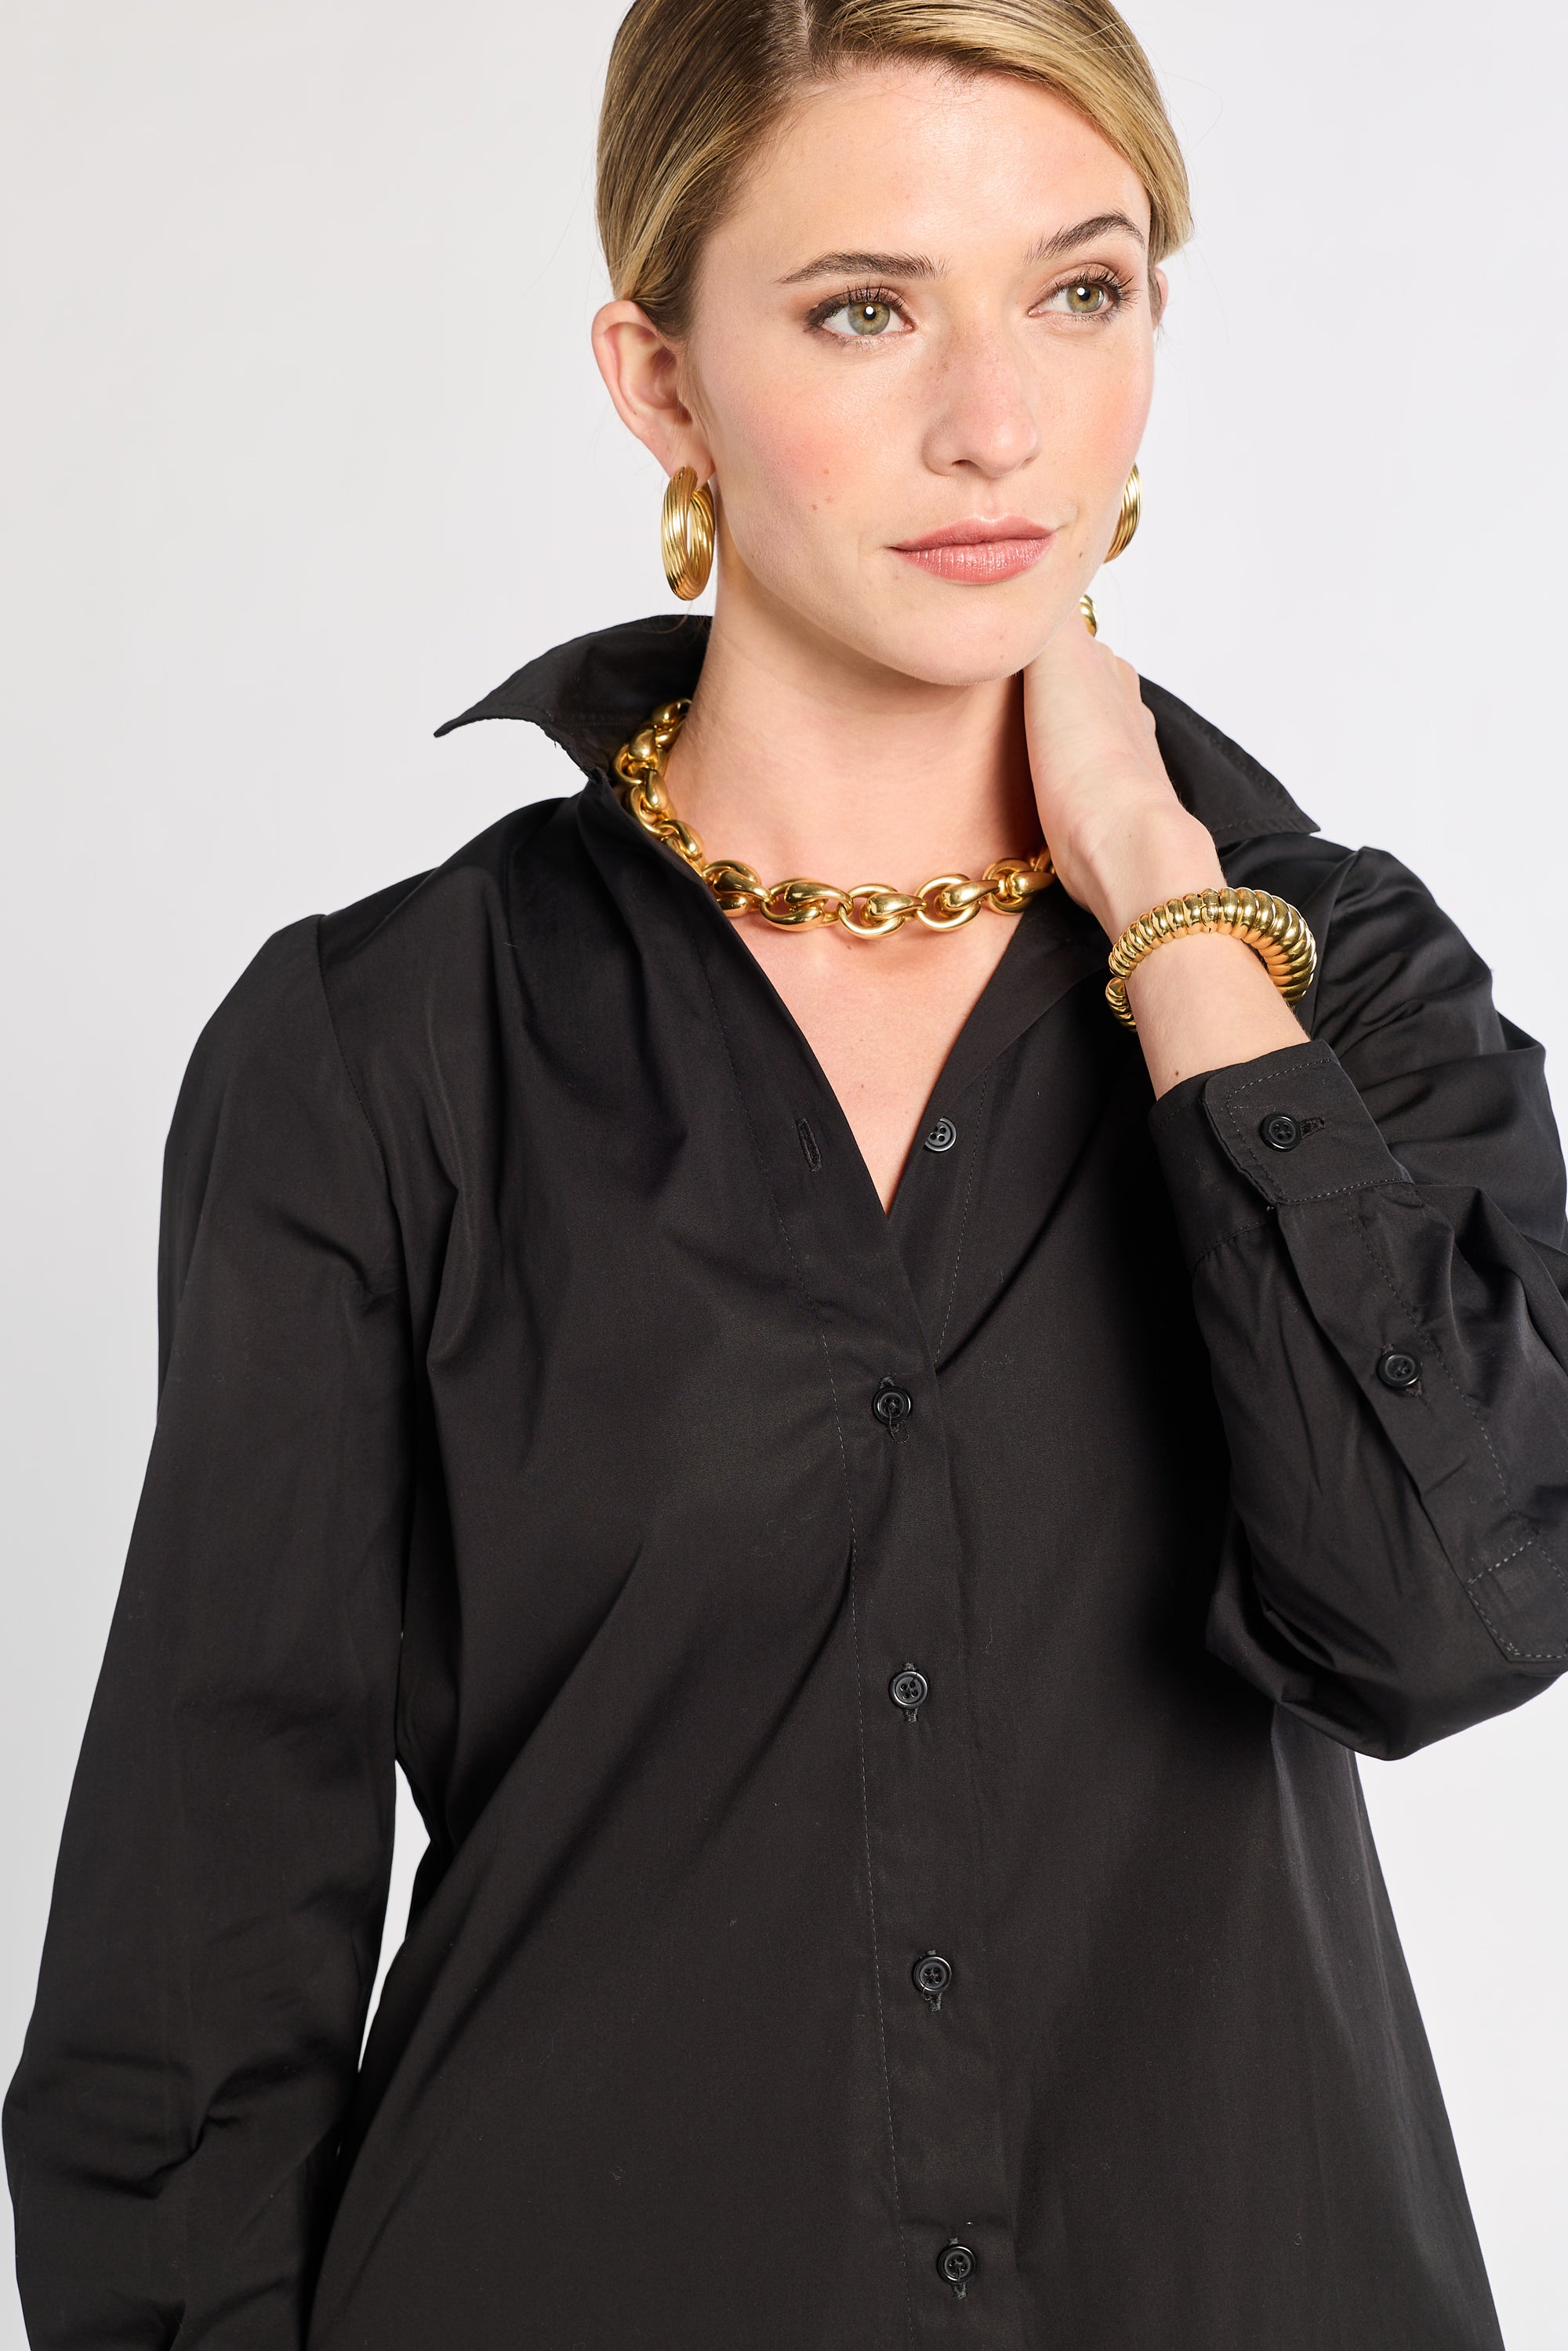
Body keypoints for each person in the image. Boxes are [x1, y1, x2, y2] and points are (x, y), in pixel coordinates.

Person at [7, 1, 1567, 2344]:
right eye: (865, 308)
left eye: (1083, 287)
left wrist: (1170, 912)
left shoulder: (1333, 986)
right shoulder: (387, 1047)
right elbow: (192, 1983)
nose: (998, 422)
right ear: (659, 382)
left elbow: (1442, 1615)